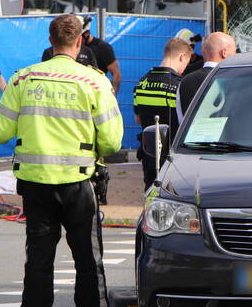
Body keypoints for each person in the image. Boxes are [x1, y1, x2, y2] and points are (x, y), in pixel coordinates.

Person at [0, 14, 123, 307]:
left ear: (51, 40)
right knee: (88, 264)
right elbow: (114, 141)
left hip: (37, 189)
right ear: (79, 42)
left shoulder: (23, 78)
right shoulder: (95, 81)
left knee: (38, 264)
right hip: (79, 186)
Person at [133, 37, 193, 187]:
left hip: (148, 153)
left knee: (150, 194)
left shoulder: (141, 83)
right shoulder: (178, 86)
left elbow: (138, 119)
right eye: (187, 62)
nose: (185, 67)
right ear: (182, 57)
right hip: (171, 156)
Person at [176, 32, 237, 124]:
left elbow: (181, 120)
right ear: (224, 53)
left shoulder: (184, 81)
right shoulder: (236, 80)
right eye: (235, 51)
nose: (236, 55)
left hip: (191, 138)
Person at [82, 25, 122, 95]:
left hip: (98, 93)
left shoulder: (102, 47)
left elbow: (116, 74)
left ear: (87, 33)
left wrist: (112, 96)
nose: (76, 40)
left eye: (78, 37)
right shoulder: (74, 47)